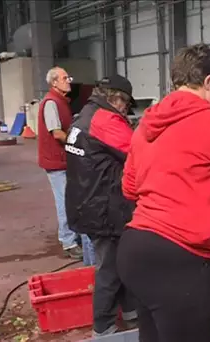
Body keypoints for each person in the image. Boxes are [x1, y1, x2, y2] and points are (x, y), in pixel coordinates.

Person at [118, 44, 210, 342]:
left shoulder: (148, 123)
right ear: (208, 81)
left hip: (136, 252)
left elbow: (129, 188)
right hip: (184, 260)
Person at [64, 75, 138, 337]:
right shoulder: (105, 120)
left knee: (122, 261)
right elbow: (138, 151)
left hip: (88, 200)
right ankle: (103, 328)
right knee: (110, 268)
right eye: (126, 106)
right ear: (118, 99)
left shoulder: (86, 113)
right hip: (104, 207)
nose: (125, 111)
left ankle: (131, 312)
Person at [37, 67, 82, 259]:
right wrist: (78, 143)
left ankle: (72, 234)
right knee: (64, 201)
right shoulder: (50, 104)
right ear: (54, 83)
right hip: (55, 162)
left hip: (63, 160)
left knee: (71, 198)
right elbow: (56, 132)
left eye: (68, 77)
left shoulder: (62, 101)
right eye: (65, 78)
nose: (69, 80)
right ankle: (68, 241)